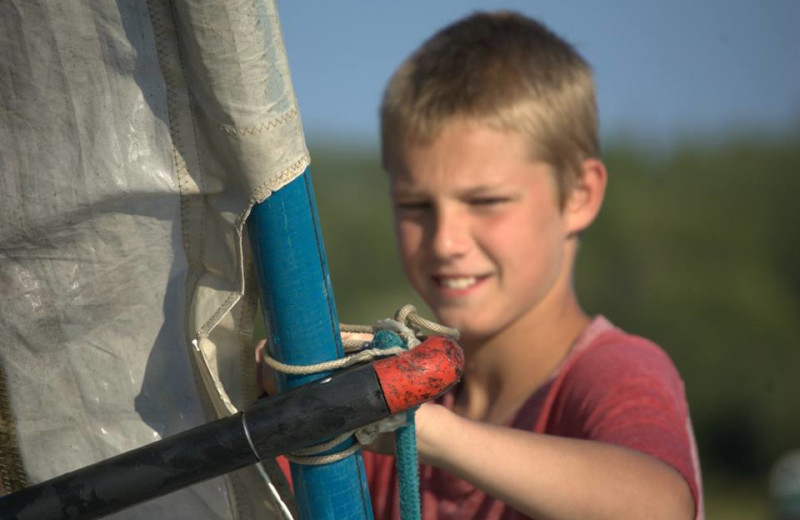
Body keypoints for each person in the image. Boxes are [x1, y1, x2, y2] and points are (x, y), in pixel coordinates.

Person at [359, 10, 703, 520]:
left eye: (486, 201)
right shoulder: (385, 420)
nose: (447, 240)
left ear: (579, 195)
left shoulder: (613, 371)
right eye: (415, 205)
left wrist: (419, 428)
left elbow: (659, 507)